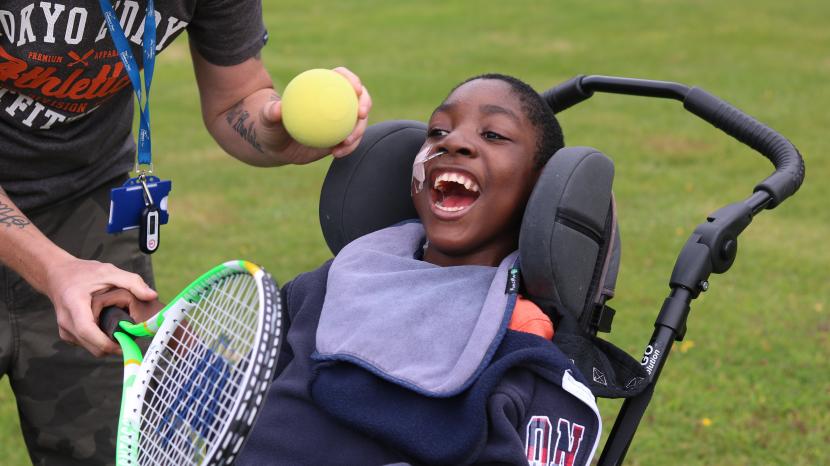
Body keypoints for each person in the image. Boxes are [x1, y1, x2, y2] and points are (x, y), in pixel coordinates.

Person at [0, 1, 371, 464]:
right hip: (61, 251)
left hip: (89, 209)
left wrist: (276, 131)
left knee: (102, 447)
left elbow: (237, 97)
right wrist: (55, 268)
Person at [230, 74, 602, 465]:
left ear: (540, 188)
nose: (453, 141)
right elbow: (233, 407)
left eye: (493, 135)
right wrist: (170, 351)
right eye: (438, 129)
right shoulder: (328, 287)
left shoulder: (517, 342)